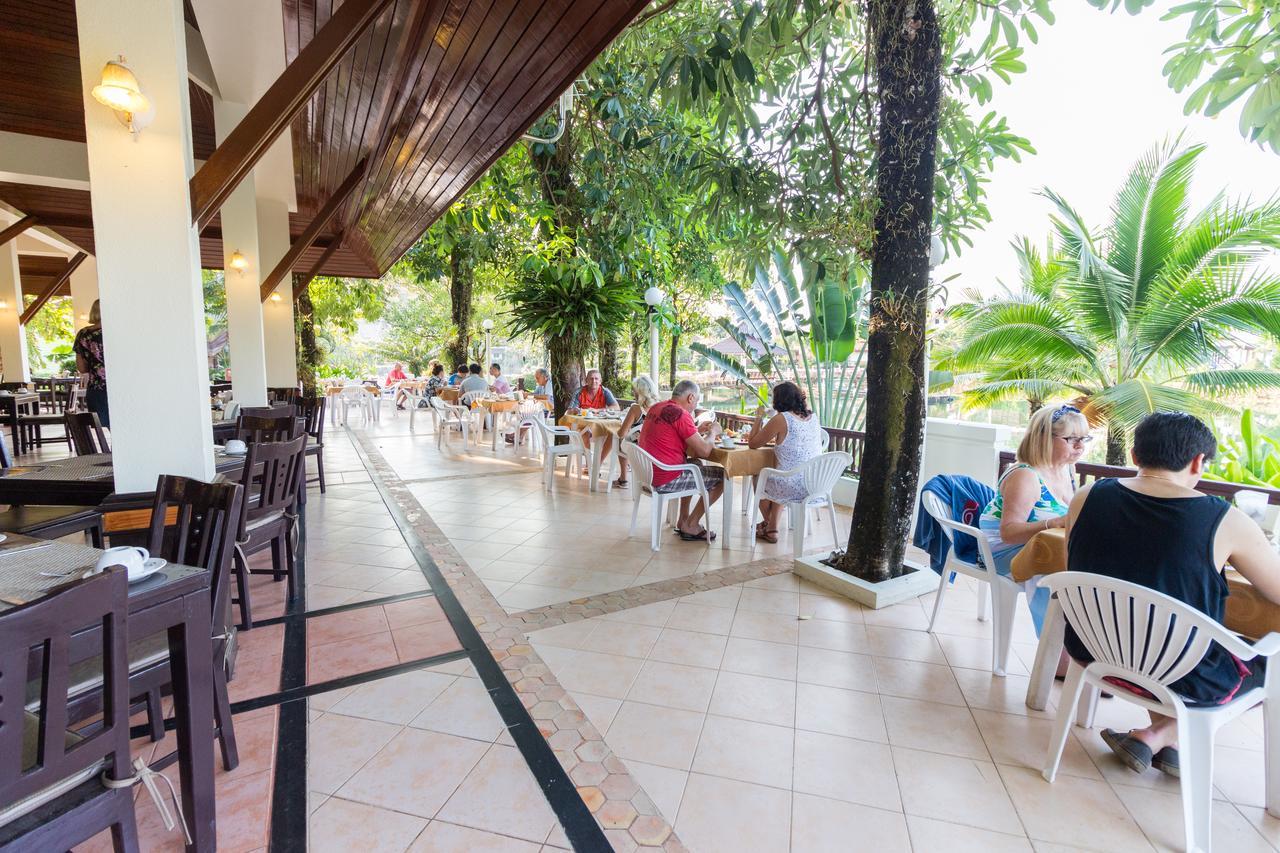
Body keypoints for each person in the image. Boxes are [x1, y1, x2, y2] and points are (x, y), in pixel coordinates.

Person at [1065, 412, 1280, 777]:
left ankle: (1168, 742)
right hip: (1180, 673)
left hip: (1093, 649)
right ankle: (1157, 735)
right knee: (1266, 659)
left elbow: (1074, 563)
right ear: (1198, 462)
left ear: (1135, 455)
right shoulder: (1224, 520)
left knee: (1161, 634)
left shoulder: (1086, 496)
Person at [979, 404, 1091, 633]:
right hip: (1002, 551)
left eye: (1084, 438)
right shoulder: (1025, 476)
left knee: (1087, 568)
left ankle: (1081, 638)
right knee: (1060, 576)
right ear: (1044, 439)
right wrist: (1052, 523)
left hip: (1040, 543)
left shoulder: (1067, 469)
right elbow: (1008, 533)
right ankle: (1056, 644)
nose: (1080, 446)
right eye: (1071, 439)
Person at [636, 379, 725, 541]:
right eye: (696, 401)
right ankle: (691, 524)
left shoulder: (657, 407)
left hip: (648, 473)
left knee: (695, 463)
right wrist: (713, 432)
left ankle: (683, 520)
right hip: (665, 478)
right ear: (691, 398)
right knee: (723, 477)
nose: (695, 406)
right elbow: (705, 451)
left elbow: (672, 433)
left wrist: (696, 430)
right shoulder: (681, 414)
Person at [749, 382, 824, 543]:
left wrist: (758, 417)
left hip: (793, 484)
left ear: (779, 400)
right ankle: (770, 526)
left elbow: (753, 443)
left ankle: (771, 527)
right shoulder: (813, 416)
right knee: (780, 474)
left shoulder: (781, 419)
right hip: (816, 482)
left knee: (758, 476)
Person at [611, 374, 660, 489]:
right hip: (654, 447)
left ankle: (623, 479)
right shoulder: (659, 406)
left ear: (639, 392)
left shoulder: (635, 408)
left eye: (634, 390)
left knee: (620, 439)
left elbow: (621, 434)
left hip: (637, 449)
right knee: (629, 439)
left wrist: (617, 432)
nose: (633, 393)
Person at [73, 299, 110, 428]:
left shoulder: (83, 334)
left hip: (96, 388)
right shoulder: (118, 330)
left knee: (102, 431)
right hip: (122, 387)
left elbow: (82, 368)